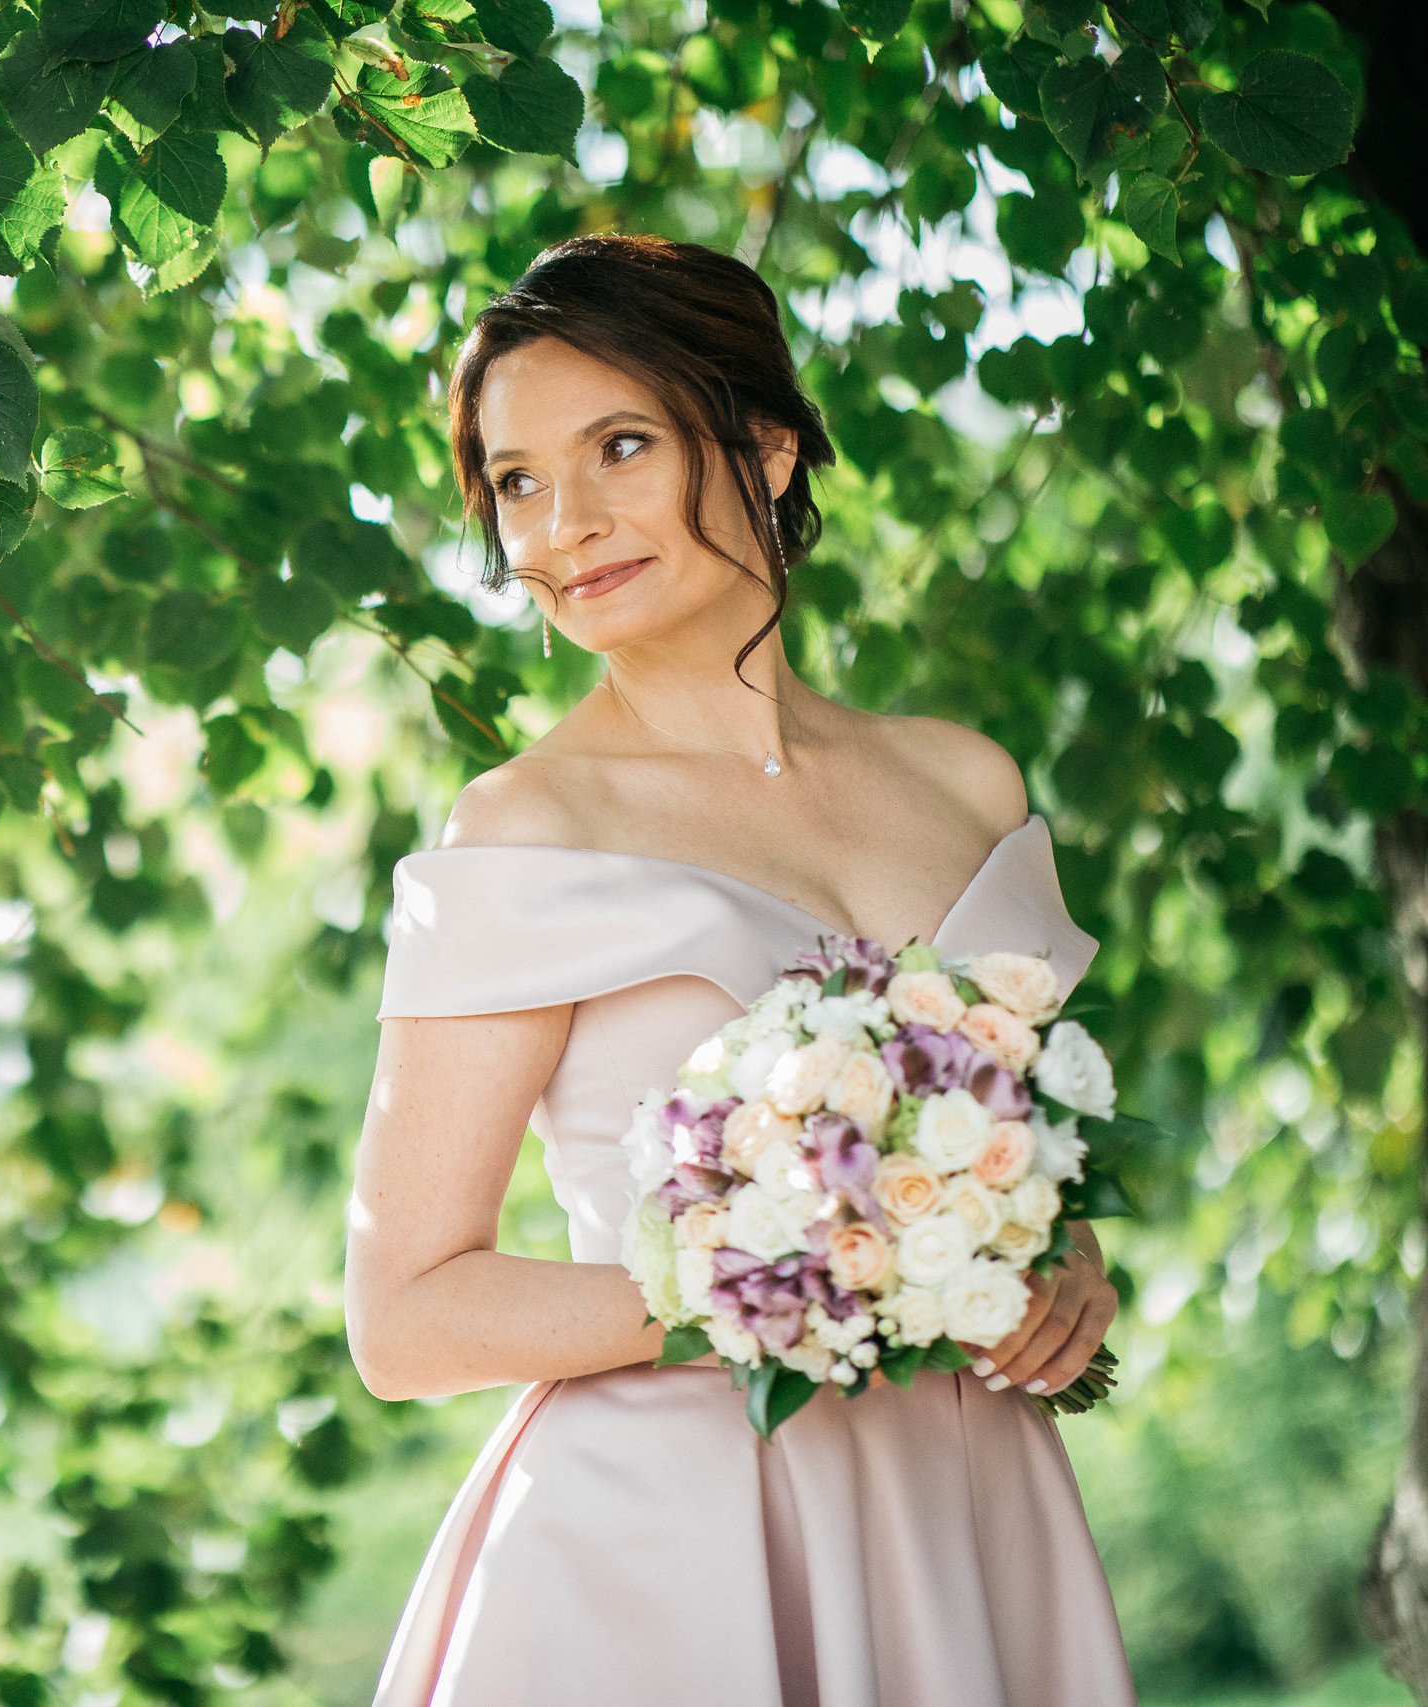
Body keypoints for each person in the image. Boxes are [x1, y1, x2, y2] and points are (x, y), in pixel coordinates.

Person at [344, 234, 1133, 1706]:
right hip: (670, 1554)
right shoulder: (528, 827)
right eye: (517, 481)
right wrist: (789, 1292)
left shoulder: (964, 782)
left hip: (966, 1511)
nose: (561, 524)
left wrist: (1060, 1267)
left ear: (764, 448)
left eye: (620, 447)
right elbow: (405, 1317)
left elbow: (1025, 1176)